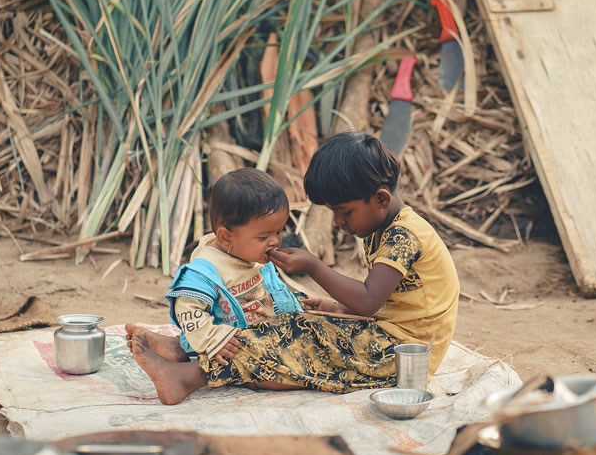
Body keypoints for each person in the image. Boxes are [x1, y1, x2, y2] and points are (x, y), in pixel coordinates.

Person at [126, 132, 460, 404]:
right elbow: (395, 301)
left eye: (344, 212)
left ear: (381, 199)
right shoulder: (388, 227)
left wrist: (313, 265)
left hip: (400, 357)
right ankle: (182, 349)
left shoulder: (404, 236)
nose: (339, 222)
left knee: (294, 339)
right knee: (296, 321)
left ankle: (188, 378)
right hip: (388, 336)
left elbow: (371, 299)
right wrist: (339, 309)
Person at [134, 168, 303, 369]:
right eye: (263, 237)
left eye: (279, 231)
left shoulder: (251, 255)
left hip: (261, 332)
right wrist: (214, 339)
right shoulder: (205, 270)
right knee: (283, 370)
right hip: (229, 346)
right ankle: (186, 365)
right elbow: (187, 309)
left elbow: (274, 292)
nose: (275, 241)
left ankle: (177, 348)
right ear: (225, 237)